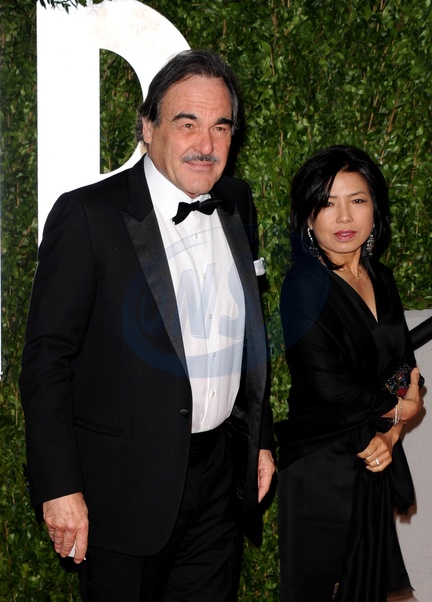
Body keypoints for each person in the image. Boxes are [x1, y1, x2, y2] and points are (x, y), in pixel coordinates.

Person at [20, 49, 275, 602]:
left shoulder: (237, 202)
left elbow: (246, 337)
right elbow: (46, 362)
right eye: (187, 123)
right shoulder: (87, 216)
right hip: (122, 489)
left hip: (219, 480)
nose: (206, 144)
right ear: (148, 127)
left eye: (220, 126)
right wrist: (59, 488)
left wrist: (259, 440)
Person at [276, 145, 424, 602]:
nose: (344, 216)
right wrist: (401, 408)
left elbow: (404, 369)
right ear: (308, 216)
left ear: (375, 209)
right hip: (321, 467)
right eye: (327, 203)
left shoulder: (381, 278)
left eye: (357, 200)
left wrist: (392, 435)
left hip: (373, 455)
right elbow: (329, 386)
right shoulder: (303, 286)